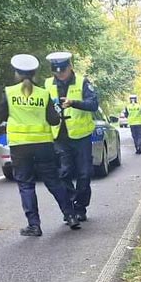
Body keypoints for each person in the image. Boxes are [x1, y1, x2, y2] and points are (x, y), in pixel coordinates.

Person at [0, 54, 80, 236]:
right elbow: (53, 120)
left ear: (16, 73)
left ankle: (34, 225)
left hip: (20, 146)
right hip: (43, 145)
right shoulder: (44, 94)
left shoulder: (9, 92)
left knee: (26, 185)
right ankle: (71, 216)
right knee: (53, 181)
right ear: (35, 73)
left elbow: (2, 116)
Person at [45, 51, 98, 222]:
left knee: (84, 173)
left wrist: (74, 103)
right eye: (56, 71)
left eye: (63, 70)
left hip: (81, 136)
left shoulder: (82, 82)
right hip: (58, 136)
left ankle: (80, 207)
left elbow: (93, 104)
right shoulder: (47, 84)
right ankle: (69, 208)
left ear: (70, 67)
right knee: (64, 173)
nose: (60, 74)